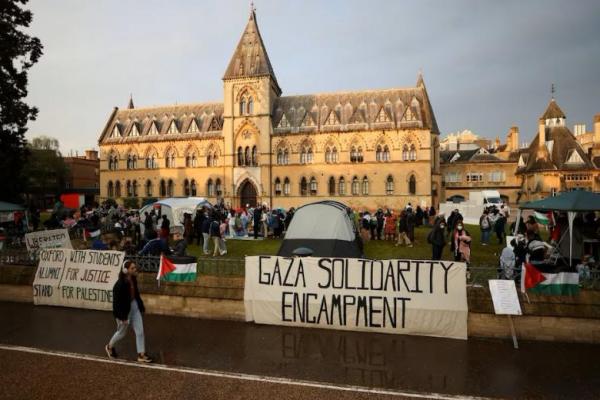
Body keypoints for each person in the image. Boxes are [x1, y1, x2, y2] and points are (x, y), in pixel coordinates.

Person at [105, 260, 152, 363]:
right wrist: (123, 317)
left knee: (140, 331)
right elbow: (116, 304)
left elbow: (136, 294)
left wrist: (141, 306)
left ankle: (141, 354)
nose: (135, 269)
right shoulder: (119, 285)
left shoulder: (133, 279)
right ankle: (109, 346)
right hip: (124, 311)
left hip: (134, 306)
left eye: (135, 267)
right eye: (132, 268)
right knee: (121, 333)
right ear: (126, 270)